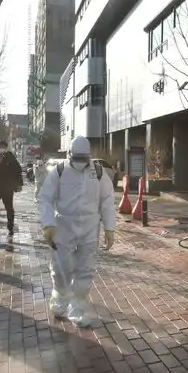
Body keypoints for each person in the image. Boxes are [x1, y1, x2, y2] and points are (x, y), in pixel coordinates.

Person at [38, 136, 116, 328]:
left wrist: (109, 227)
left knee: (85, 269)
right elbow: (45, 198)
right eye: (77, 158)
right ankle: (60, 297)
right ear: (69, 154)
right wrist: (48, 224)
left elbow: (107, 200)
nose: (81, 163)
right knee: (61, 268)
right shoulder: (59, 171)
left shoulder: (97, 172)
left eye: (84, 158)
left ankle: (78, 307)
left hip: (90, 227)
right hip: (63, 225)